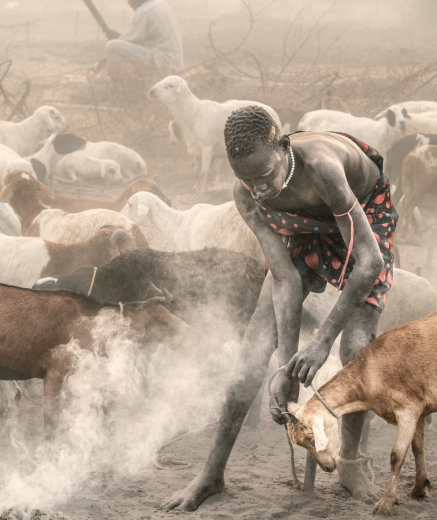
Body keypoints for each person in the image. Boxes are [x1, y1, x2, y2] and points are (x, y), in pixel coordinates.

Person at [163, 105, 398, 512]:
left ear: (283, 148)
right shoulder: (247, 195)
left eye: (265, 176)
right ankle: (212, 472)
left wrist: (323, 340)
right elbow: (285, 280)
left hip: (362, 219)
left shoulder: (322, 167)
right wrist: (287, 368)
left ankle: (350, 463)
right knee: (253, 349)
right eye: (246, 179)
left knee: (356, 347)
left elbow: (370, 261)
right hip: (305, 227)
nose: (258, 190)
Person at [104, 0, 183, 75]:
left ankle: (116, 84)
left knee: (112, 46)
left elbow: (125, 42)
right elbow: (134, 40)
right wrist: (119, 37)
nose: (128, 3)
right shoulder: (160, 3)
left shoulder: (144, 11)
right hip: (176, 63)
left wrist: (115, 37)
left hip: (164, 63)